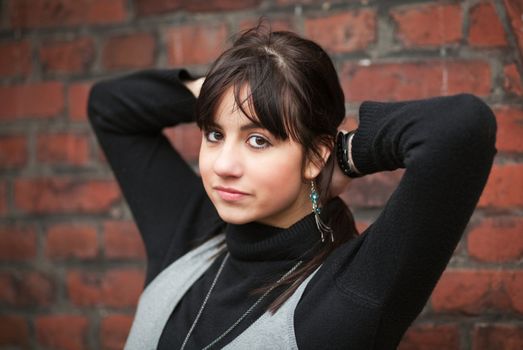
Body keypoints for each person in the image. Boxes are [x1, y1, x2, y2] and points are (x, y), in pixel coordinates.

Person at [87, 24, 497, 350]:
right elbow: (109, 106)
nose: (223, 166)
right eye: (214, 134)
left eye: (258, 140)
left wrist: (346, 155)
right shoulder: (191, 236)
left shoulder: (346, 295)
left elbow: (460, 129)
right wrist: (224, 87)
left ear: (316, 156)